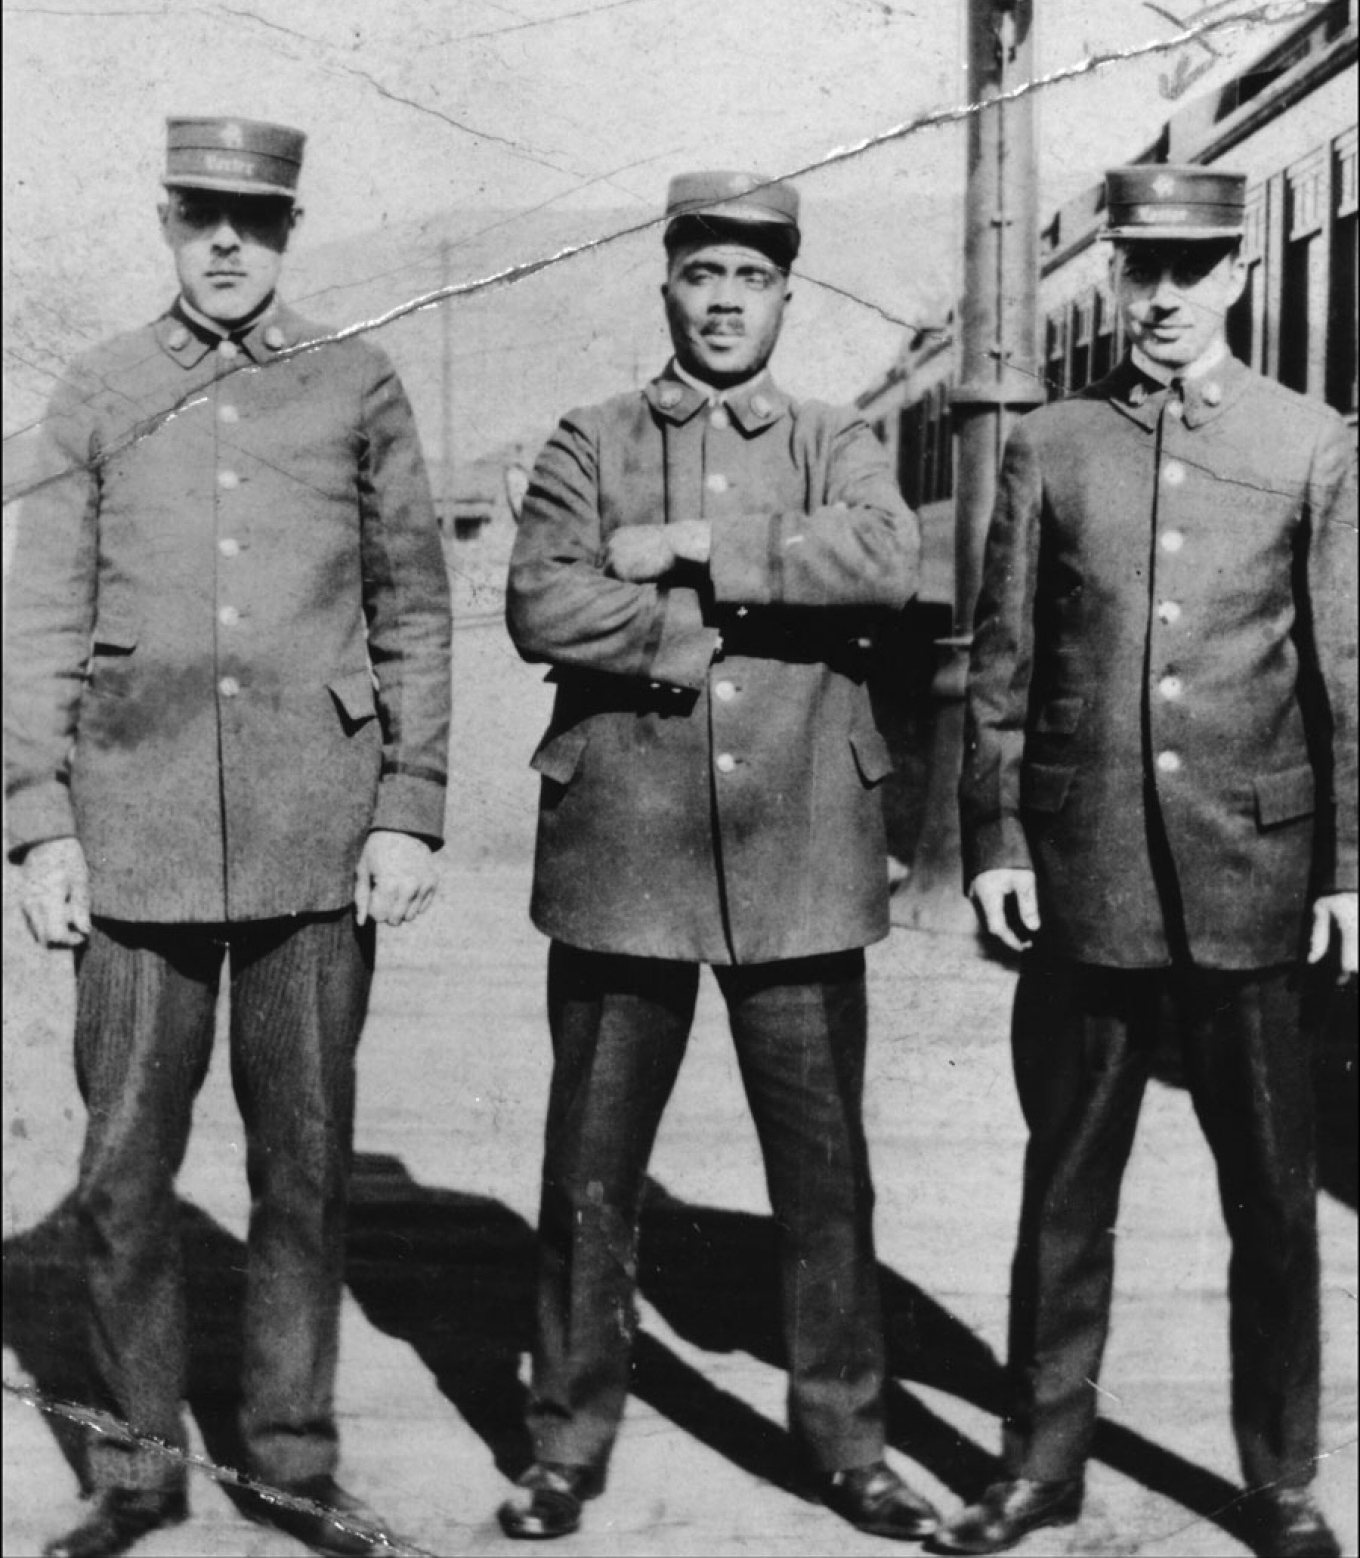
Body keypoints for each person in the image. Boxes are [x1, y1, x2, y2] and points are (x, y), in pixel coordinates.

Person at [4, 116, 453, 1558]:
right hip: (131, 846)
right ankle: (135, 1473)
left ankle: (293, 1462)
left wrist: (409, 807)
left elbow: (416, 614)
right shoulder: (100, 390)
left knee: (304, 1168)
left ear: (289, 230)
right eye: (201, 215)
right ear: (163, 220)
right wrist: (36, 826)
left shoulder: (356, 382)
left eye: (252, 222)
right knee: (124, 1172)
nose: (224, 244)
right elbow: (41, 626)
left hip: (312, 846)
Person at [497, 170, 939, 1543]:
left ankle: (850, 1446)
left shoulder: (837, 436)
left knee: (824, 1178)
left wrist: (693, 547)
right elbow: (542, 600)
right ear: (671, 286)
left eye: (755, 280)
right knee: (589, 1169)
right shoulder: (593, 435)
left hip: (800, 846)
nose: (729, 302)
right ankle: (566, 1443)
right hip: (626, 851)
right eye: (707, 277)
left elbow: (886, 557)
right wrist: (709, 631)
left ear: (786, 296)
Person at [939, 165, 1356, 1558]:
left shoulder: (1312, 445)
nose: (1166, 297)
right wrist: (994, 837)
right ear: (1116, 276)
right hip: (1085, 873)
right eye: (1144, 269)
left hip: (1257, 880)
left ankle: (1281, 1480)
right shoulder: (1054, 444)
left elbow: (1346, 680)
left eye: (1194, 269)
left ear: (1237, 276)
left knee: (1276, 1204)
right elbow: (1000, 668)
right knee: (1067, 1187)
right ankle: (1038, 1466)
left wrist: (1347, 868)